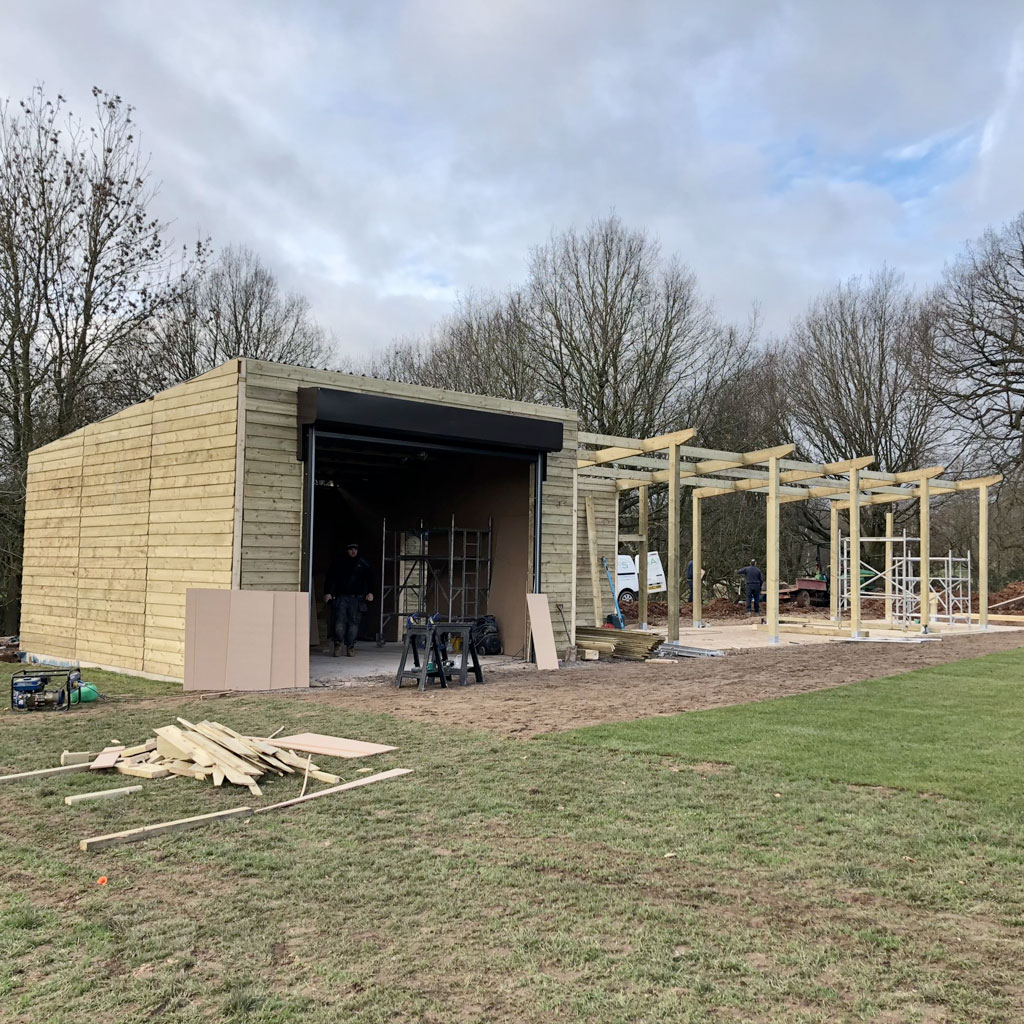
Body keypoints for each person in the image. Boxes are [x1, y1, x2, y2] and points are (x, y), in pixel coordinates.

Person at [324, 542, 375, 657]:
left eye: (355, 549)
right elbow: (330, 577)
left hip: (356, 599)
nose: (353, 551)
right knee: (339, 623)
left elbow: (371, 578)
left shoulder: (363, 563)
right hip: (341, 597)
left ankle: (350, 646)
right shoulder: (339, 562)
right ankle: (338, 645)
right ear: (347, 550)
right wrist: (327, 592)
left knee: (354, 624)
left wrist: (371, 592)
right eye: (351, 549)